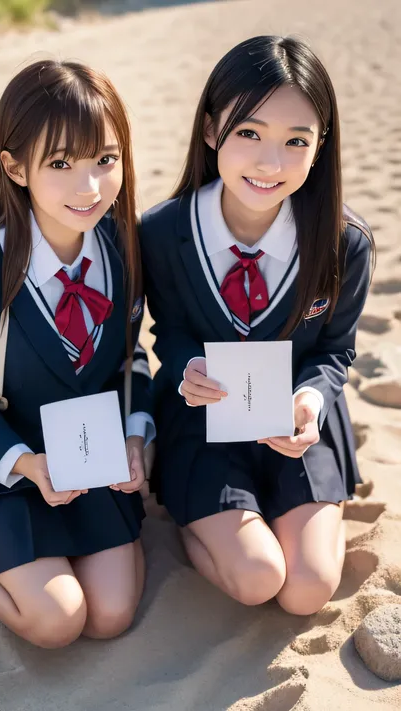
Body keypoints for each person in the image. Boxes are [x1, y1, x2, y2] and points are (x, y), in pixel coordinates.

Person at [140, 36, 374, 616]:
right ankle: (200, 516)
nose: (271, 163)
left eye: (296, 141)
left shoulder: (345, 242)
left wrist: (309, 404)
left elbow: (336, 352)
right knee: (257, 578)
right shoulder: (162, 233)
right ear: (212, 130)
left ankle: (299, 502)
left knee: (306, 590)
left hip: (295, 422)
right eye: (249, 133)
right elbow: (165, 333)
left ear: (320, 148)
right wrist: (186, 367)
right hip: (203, 419)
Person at [0, 60, 154, 647]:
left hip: (93, 463)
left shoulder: (123, 249)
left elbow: (131, 360)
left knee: (110, 617)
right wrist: (26, 463)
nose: (90, 187)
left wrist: (135, 433)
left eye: (106, 159)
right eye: (60, 164)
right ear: (14, 166)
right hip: (9, 470)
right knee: (57, 623)